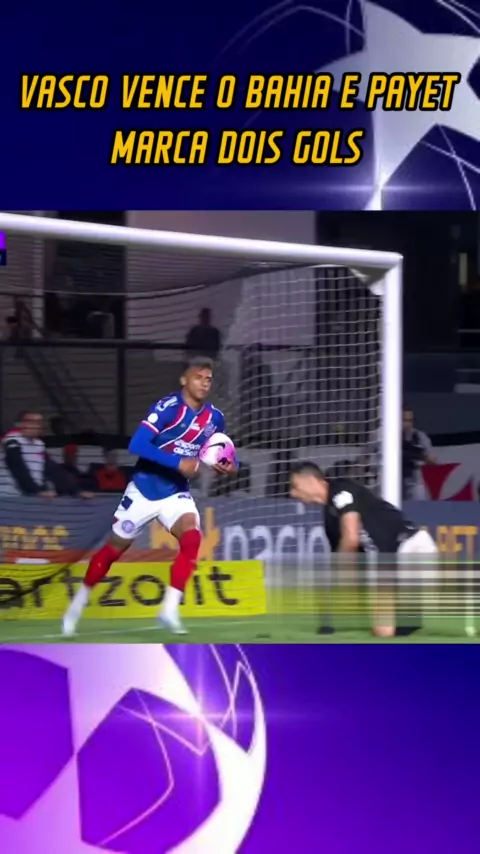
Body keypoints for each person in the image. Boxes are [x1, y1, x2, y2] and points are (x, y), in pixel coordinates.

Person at [62, 356, 237, 637]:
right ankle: (77, 605)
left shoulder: (214, 418)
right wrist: (177, 462)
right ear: (184, 379)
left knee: (192, 537)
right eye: (198, 377)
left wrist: (228, 465)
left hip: (176, 492)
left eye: (208, 379)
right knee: (113, 550)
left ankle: (169, 610)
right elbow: (137, 444)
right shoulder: (168, 408)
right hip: (143, 491)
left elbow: (226, 455)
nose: (204, 383)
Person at [289, 461, 438, 638]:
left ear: (311, 480)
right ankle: (410, 619)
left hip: (410, 547)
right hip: (389, 566)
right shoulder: (330, 520)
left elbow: (351, 539)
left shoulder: (341, 489)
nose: (292, 493)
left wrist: (341, 572)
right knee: (383, 631)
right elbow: (346, 558)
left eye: (295, 486)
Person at [0, 411, 91, 497]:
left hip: (27, 497)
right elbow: (17, 467)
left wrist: (77, 491)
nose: (35, 426)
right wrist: (36, 491)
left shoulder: (38, 444)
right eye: (30, 422)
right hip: (9, 496)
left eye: (38, 423)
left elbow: (52, 469)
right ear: (21, 424)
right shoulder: (12, 440)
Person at [402, 405, 436, 500]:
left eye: (410, 421)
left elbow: (433, 460)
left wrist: (419, 456)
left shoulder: (419, 436)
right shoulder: (389, 436)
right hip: (394, 481)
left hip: (414, 482)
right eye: (404, 420)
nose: (407, 424)